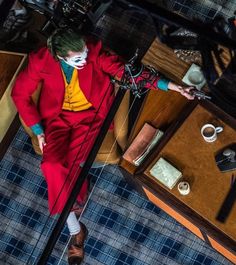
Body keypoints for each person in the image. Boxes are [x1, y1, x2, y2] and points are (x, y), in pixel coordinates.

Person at [11, 27, 194, 264]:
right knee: (51, 165)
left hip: (91, 118)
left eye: (85, 53)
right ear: (59, 56)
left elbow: (130, 75)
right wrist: (38, 129)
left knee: (64, 165)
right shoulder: (41, 60)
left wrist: (174, 87)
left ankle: (75, 231)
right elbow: (19, 93)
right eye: (78, 58)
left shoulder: (94, 52)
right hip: (56, 120)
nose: (84, 59)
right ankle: (75, 227)